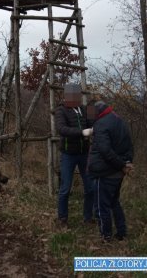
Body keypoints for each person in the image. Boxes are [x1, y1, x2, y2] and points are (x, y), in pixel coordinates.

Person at [88, 100, 134, 242]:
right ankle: (121, 232)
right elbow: (128, 145)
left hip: (106, 172)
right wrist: (126, 163)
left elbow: (105, 151)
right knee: (114, 201)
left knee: (102, 206)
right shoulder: (117, 119)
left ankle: (105, 235)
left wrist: (122, 165)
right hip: (118, 171)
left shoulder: (101, 124)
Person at [55, 83, 94, 227]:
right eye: (73, 95)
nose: (76, 98)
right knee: (65, 188)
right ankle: (62, 218)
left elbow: (91, 123)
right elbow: (62, 129)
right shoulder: (61, 110)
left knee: (90, 186)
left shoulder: (84, 109)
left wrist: (92, 109)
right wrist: (82, 132)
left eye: (77, 95)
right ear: (66, 96)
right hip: (68, 154)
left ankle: (88, 217)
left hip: (84, 153)